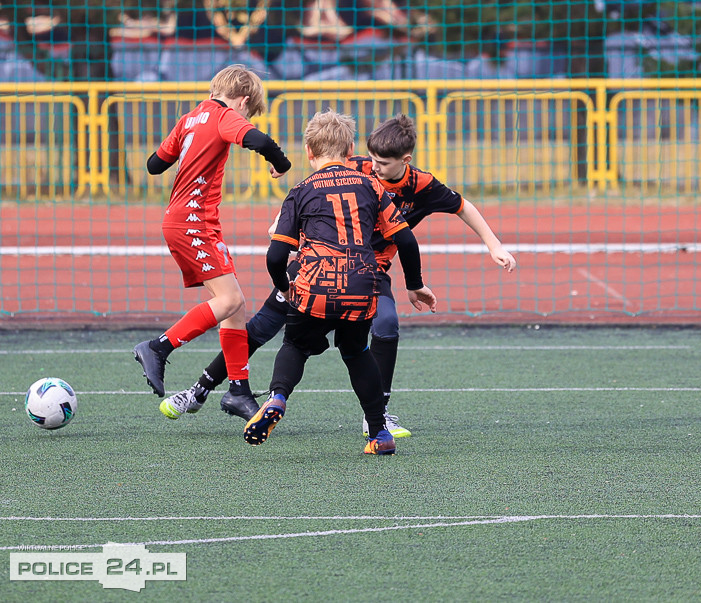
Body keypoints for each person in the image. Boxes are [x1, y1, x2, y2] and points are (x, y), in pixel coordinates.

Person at [161, 113, 517, 438]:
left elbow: (461, 206)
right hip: (326, 268)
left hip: (368, 270)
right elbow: (315, 191)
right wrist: (285, 223)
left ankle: (377, 415)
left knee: (385, 325)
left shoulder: (420, 185)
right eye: (371, 160)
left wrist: (494, 245)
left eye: (383, 164)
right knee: (261, 328)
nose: (374, 168)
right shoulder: (358, 168)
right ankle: (201, 388)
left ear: (405, 162)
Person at [241, 110, 437, 455]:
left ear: (308, 152)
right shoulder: (370, 185)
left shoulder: (301, 190)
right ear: (350, 150)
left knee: (297, 345)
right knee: (358, 351)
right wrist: (415, 284)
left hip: (315, 284)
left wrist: (285, 288)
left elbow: (275, 256)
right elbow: (406, 241)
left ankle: (278, 398)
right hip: (362, 284)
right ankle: (378, 433)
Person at [134, 65, 291, 418]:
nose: (245, 117)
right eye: (248, 112)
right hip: (194, 222)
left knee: (235, 308)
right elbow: (260, 141)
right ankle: (158, 347)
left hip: (184, 220)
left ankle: (238, 390)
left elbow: (154, 164)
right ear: (244, 100)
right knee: (230, 298)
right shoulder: (223, 115)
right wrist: (281, 164)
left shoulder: (190, 117)